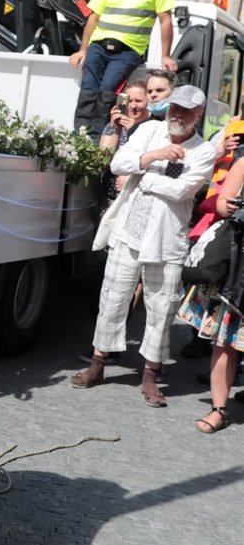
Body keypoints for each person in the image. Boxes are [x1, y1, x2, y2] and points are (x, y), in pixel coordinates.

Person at [71, 85, 215, 405]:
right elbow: (118, 164)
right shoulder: (151, 129)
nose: (177, 114)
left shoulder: (204, 150)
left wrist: (143, 176)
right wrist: (154, 156)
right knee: (112, 298)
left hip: (166, 240)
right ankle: (98, 365)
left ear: (198, 115)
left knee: (161, 309)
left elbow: (182, 190)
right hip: (129, 232)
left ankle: (150, 376)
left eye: (186, 111)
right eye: (175, 107)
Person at [71, 0, 177, 134]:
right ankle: (79, 133)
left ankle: (98, 135)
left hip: (128, 50)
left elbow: (165, 20)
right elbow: (93, 17)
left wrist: (165, 55)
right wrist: (82, 49)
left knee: (108, 90)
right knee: (88, 89)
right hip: (98, 45)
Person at [177, 152, 244, 433]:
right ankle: (219, 409)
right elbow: (220, 202)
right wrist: (227, 205)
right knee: (225, 342)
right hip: (238, 268)